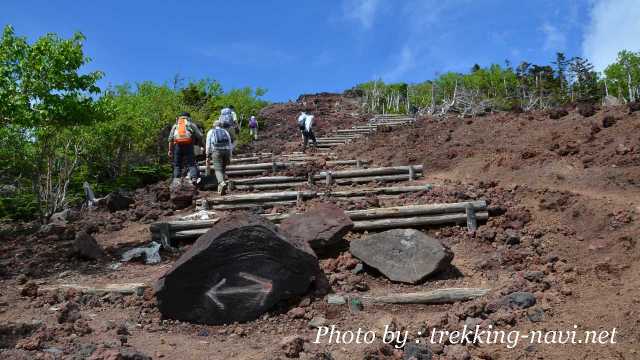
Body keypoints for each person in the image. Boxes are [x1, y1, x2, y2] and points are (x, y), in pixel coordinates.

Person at [168, 112, 203, 185]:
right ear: (188, 117)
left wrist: (170, 150)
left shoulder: (176, 125)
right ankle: (194, 178)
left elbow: (170, 139)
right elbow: (200, 136)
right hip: (189, 145)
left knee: (177, 164)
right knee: (191, 163)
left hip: (178, 145)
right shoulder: (190, 124)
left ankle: (176, 180)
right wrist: (201, 145)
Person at [205, 120, 234, 195]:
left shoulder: (211, 132)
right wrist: (230, 155)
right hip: (226, 151)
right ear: (221, 125)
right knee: (223, 168)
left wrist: (207, 155)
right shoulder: (225, 131)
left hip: (216, 151)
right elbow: (230, 143)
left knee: (217, 169)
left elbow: (208, 145)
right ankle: (220, 189)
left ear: (213, 125)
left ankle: (221, 183)